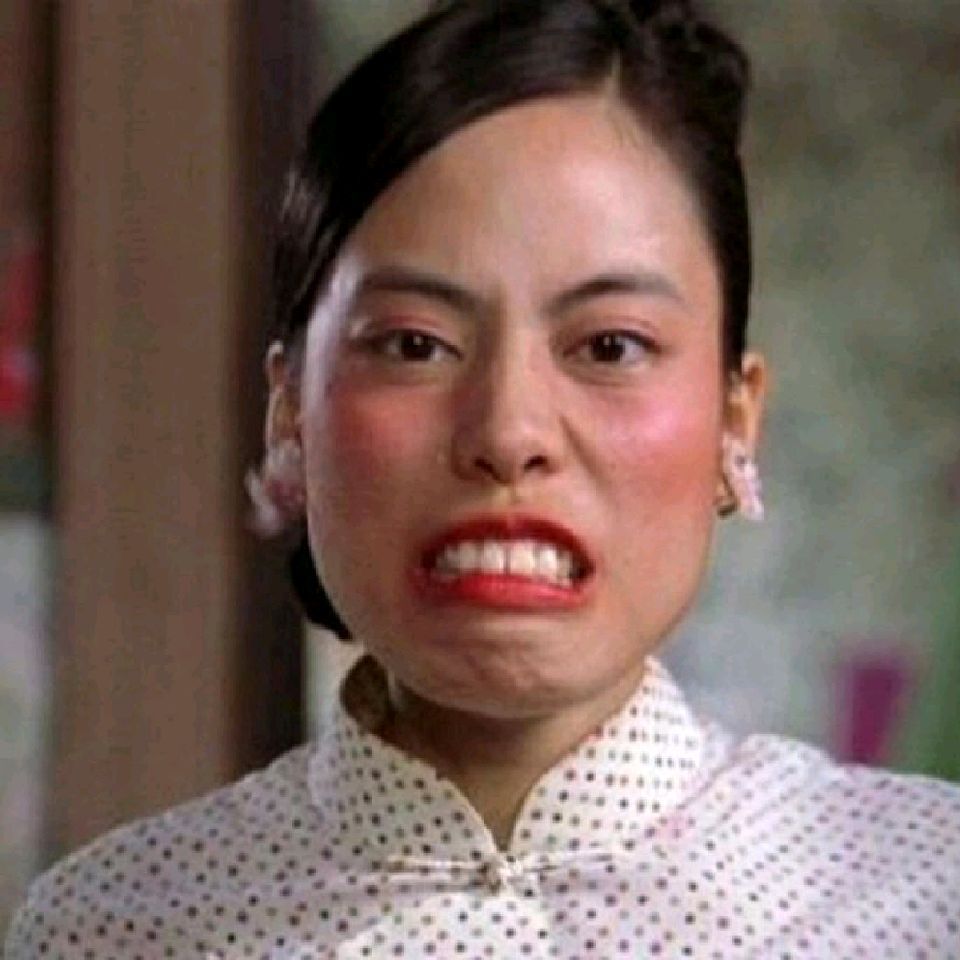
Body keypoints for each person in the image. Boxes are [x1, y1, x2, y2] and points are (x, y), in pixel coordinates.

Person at [7, 0, 960, 956]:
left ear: (733, 420)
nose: (509, 433)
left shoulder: (924, 897)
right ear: (290, 411)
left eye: (610, 345)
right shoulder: (113, 928)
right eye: (415, 344)